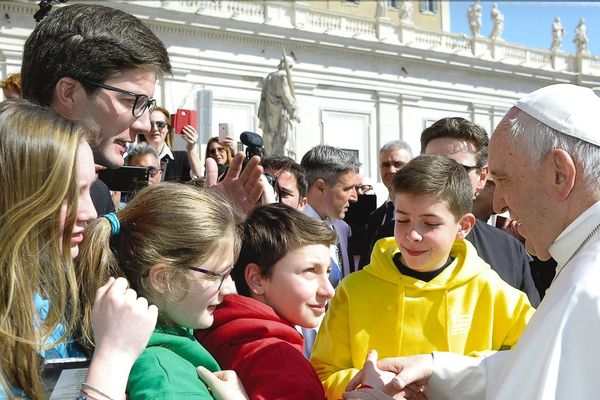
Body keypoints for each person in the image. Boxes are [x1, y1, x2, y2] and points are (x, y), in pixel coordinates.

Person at [346, 83, 600, 400]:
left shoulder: (590, 286)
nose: (498, 205)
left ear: (560, 174)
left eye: (504, 180)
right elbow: (534, 366)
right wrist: (437, 369)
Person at [311, 155, 535, 400]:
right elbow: (322, 374)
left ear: (464, 226)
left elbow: (533, 364)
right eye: (403, 220)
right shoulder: (353, 290)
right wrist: (369, 383)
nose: (413, 235)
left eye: (430, 224)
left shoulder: (496, 294)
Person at [21, 3, 264, 216]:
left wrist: (217, 221)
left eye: (146, 104)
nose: (145, 125)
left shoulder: (98, 196)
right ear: (69, 93)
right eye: (130, 101)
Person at [0, 100, 157, 400]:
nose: (90, 212)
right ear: (17, 196)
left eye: (90, 189)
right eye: (71, 193)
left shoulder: (50, 293)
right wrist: (113, 360)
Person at [75, 183, 249, 399]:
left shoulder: (164, 349)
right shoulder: (169, 383)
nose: (229, 290)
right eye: (215, 275)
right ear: (162, 278)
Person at [196, 203, 337, 399]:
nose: (329, 291)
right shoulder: (282, 364)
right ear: (257, 279)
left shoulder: (213, 329)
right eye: (310, 271)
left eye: (328, 271)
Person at [420, 117, 540, 306]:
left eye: (457, 169)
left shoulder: (508, 250)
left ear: (482, 177)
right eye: (430, 166)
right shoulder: (390, 241)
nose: (439, 179)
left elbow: (529, 326)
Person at [301, 145, 360, 285]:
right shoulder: (290, 231)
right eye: (347, 189)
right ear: (321, 187)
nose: (354, 197)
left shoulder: (343, 230)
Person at [358, 140, 413, 268]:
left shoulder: (422, 211)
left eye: (398, 164)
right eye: (385, 165)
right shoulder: (375, 216)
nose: (391, 170)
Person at [139, 106, 202, 181]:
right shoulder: (133, 158)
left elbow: (198, 178)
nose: (155, 128)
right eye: (150, 124)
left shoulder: (182, 158)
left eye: (160, 124)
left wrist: (191, 148)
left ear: (168, 128)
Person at [258, 56, 300, 158]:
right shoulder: (283, 76)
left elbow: (263, 96)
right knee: (283, 137)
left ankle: (271, 157)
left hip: (270, 112)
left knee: (272, 136)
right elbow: (285, 94)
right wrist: (294, 108)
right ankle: (281, 158)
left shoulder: (269, 77)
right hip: (282, 112)